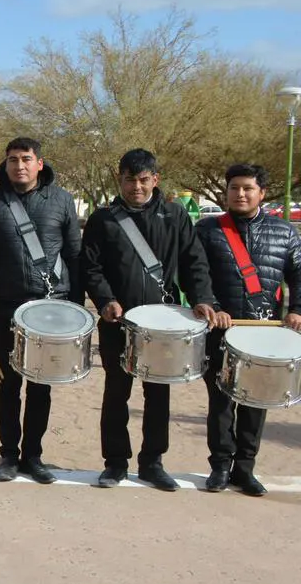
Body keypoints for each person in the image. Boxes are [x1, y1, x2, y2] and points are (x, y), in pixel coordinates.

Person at [81, 148, 216, 490]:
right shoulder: (103, 219)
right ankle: (114, 463)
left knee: (158, 395)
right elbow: (91, 267)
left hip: (162, 324)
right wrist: (105, 300)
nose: (136, 187)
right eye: (129, 180)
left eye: (143, 181)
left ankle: (152, 462)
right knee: (116, 393)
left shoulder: (174, 215)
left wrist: (202, 299)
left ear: (155, 180)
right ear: (119, 179)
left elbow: (193, 262)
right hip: (118, 322)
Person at [0, 137, 81, 484]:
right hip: (5, 305)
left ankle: (33, 455)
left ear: (40, 163)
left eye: (26, 159)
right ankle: (9, 455)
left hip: (51, 307)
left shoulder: (61, 200)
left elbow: (76, 256)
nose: (19, 165)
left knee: (41, 385)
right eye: (13, 159)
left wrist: (76, 310)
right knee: (7, 383)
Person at [196, 163, 301, 496]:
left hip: (264, 330)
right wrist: (211, 305)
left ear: (261, 193)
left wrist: (298, 310)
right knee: (221, 403)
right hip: (221, 330)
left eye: (247, 188)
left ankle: (245, 470)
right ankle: (219, 468)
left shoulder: (285, 232)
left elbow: (299, 274)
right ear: (226, 191)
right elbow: (196, 274)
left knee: (256, 403)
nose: (240, 194)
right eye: (234, 188)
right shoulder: (207, 230)